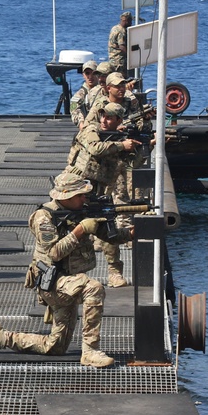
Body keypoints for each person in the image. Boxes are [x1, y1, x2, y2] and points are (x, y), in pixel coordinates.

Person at [0, 172, 132, 368]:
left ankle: (0, 337)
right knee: (94, 288)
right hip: (52, 282)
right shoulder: (43, 217)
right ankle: (90, 351)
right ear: (66, 196)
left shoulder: (82, 211)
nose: (84, 199)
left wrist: (134, 232)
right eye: (80, 195)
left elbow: (112, 237)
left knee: (55, 347)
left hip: (70, 281)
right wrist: (80, 230)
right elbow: (54, 253)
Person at [65, 102, 141, 288]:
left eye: (110, 117)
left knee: (108, 227)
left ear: (118, 120)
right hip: (73, 189)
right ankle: (67, 272)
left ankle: (115, 273)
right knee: (69, 230)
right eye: (103, 116)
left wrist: (145, 147)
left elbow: (133, 165)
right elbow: (95, 148)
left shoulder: (118, 139)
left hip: (98, 191)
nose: (105, 120)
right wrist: (122, 145)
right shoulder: (92, 129)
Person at [69, 60, 101, 127]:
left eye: (93, 73)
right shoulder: (80, 95)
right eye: (87, 73)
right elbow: (73, 108)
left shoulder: (104, 90)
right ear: (83, 75)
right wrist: (81, 122)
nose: (90, 77)